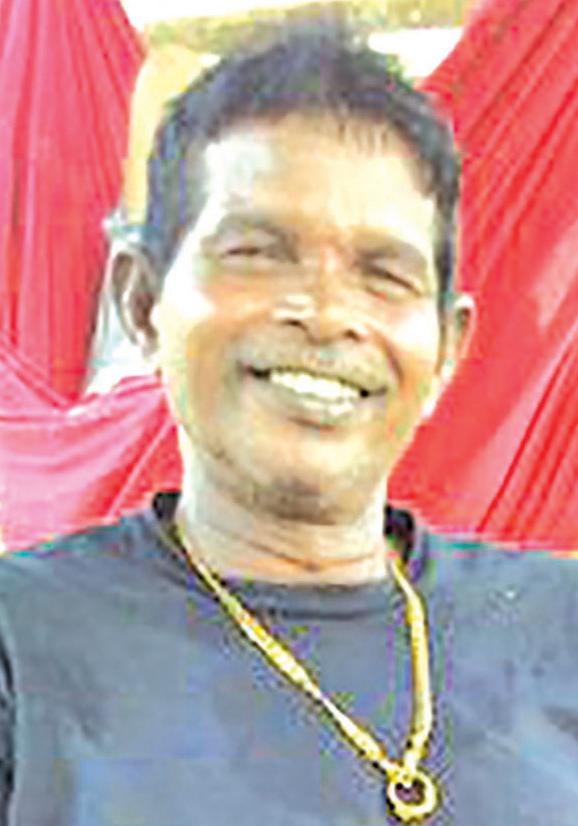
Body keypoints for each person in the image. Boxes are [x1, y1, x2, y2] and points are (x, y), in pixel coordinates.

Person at [0, 15, 577, 826]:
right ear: (143, 301)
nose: (327, 313)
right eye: (258, 253)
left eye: (385, 273)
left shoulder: (558, 624)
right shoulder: (23, 647)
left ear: (448, 347)